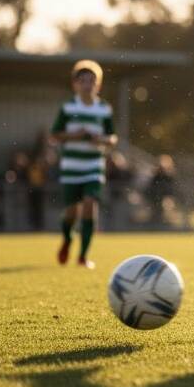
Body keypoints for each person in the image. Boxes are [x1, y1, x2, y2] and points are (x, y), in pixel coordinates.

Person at [50, 60, 117, 268]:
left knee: (89, 205)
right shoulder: (68, 107)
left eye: (92, 80)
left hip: (93, 166)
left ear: (98, 84)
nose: (87, 84)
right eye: (83, 81)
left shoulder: (104, 109)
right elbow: (54, 135)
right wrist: (75, 135)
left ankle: (82, 256)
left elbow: (113, 137)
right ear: (75, 84)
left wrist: (102, 140)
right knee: (72, 212)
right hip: (71, 166)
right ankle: (68, 240)